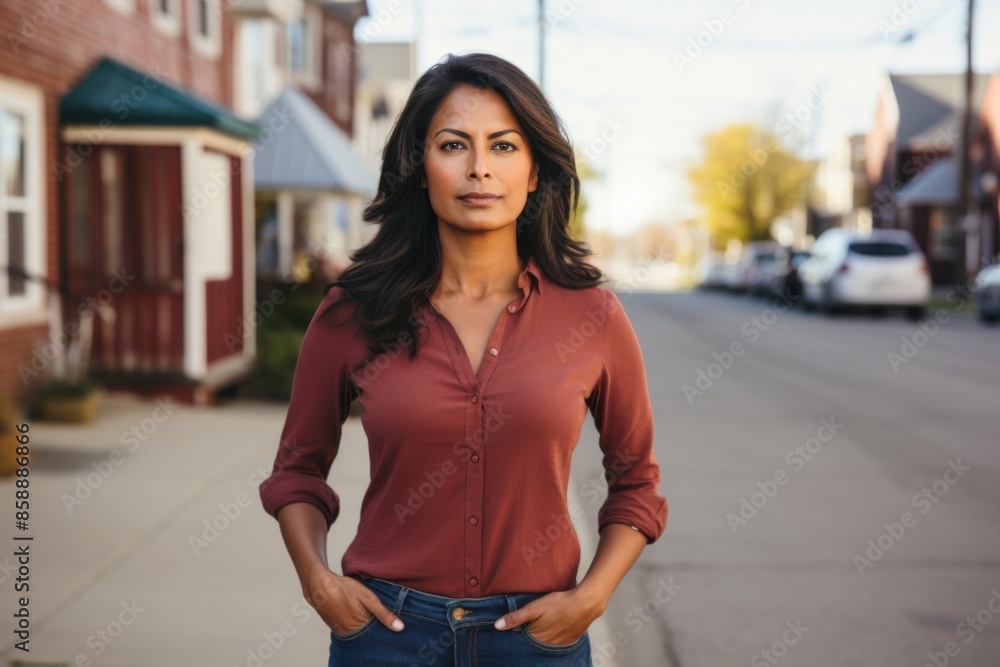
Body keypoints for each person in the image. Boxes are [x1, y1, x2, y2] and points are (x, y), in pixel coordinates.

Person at [259, 52, 668, 667]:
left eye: (503, 147)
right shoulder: (353, 310)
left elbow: (637, 481)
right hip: (386, 635)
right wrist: (319, 584)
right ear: (421, 168)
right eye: (454, 146)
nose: (480, 169)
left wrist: (591, 597)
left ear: (534, 172)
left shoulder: (593, 317)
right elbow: (297, 471)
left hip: (537, 639)